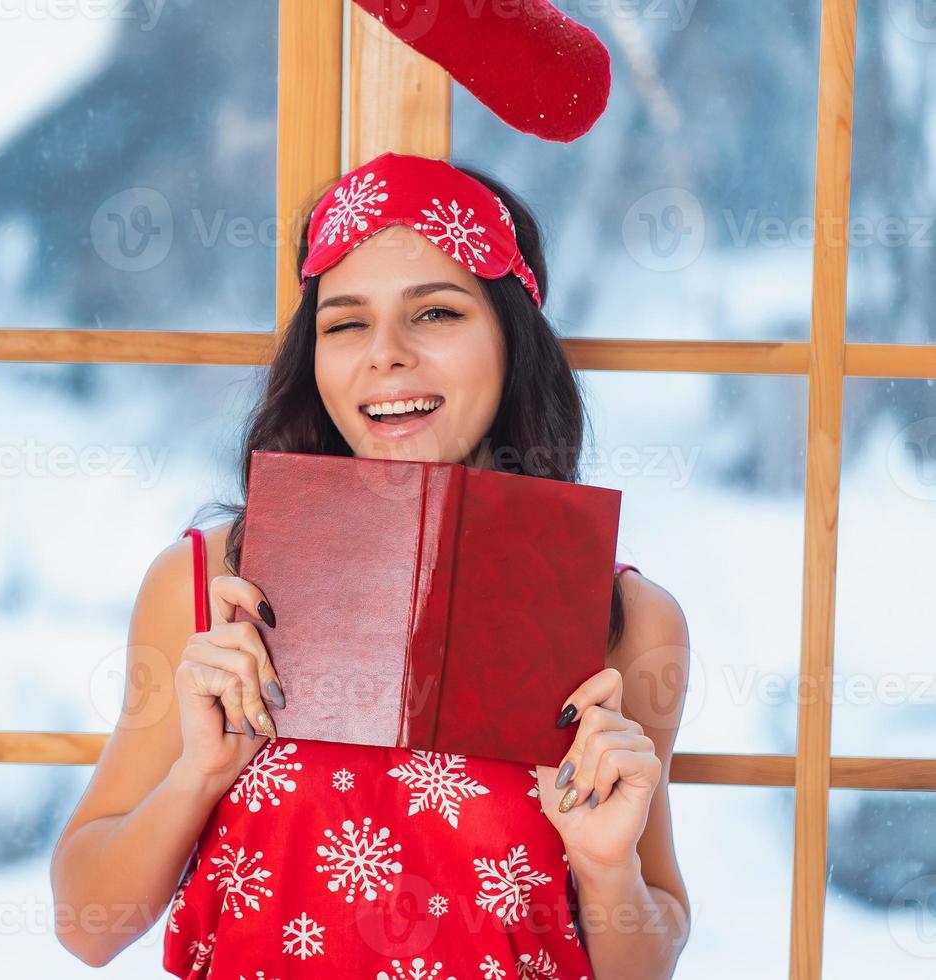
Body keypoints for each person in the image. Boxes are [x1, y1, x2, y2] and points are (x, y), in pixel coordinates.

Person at [50, 151, 692, 977]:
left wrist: (607, 866)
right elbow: (85, 924)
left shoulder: (624, 620)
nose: (384, 353)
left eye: (435, 314)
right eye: (345, 323)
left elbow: (648, 958)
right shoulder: (209, 586)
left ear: (512, 338)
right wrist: (196, 775)